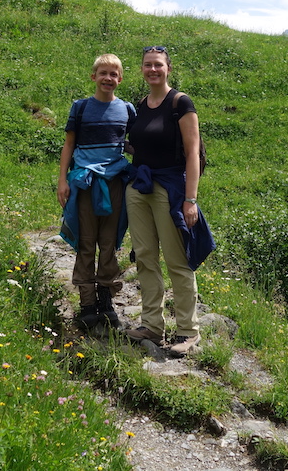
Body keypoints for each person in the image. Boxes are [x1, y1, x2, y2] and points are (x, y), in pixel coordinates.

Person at [124, 45, 214, 357]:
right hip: (139, 187)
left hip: (170, 190)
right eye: (147, 64)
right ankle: (151, 325)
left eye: (158, 65)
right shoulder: (141, 105)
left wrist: (190, 200)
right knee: (145, 256)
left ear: (168, 69)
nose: (153, 70)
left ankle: (188, 331)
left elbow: (193, 154)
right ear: (142, 69)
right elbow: (143, 146)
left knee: (177, 260)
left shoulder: (180, 103)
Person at [58, 54, 135, 330]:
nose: (108, 78)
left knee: (109, 242)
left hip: (115, 183)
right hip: (85, 183)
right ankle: (87, 304)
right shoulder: (80, 108)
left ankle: (106, 300)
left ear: (120, 79)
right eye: (103, 73)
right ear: (93, 77)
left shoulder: (127, 110)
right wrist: (62, 180)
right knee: (86, 241)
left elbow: (134, 143)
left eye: (113, 74)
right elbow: (69, 144)